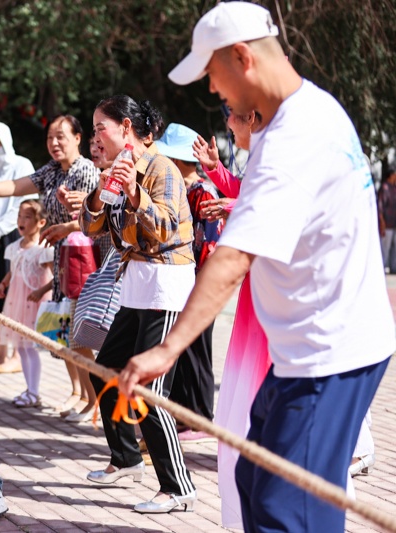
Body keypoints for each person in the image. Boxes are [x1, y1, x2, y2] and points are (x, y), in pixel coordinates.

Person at [123, 3, 395, 532]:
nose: (212, 91)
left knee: (282, 509)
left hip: (329, 354)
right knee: (255, 479)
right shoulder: (311, 110)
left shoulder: (294, 140)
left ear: (241, 57)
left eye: (212, 74)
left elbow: (232, 258)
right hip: (307, 347)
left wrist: (165, 349)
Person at [81, 95, 197, 513]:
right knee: (104, 370)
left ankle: (178, 487)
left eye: (100, 128)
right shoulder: (112, 169)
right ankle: (126, 459)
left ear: (126, 128)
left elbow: (166, 227)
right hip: (134, 284)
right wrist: (100, 191)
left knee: (150, 391)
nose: (96, 137)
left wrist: (134, 193)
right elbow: (93, 226)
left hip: (165, 283)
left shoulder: (161, 167)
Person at [0, 115, 100, 418]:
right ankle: (80, 395)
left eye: (61, 136)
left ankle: (94, 401)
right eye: (50, 137)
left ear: (78, 138)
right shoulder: (51, 170)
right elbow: (16, 185)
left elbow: (95, 220)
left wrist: (68, 227)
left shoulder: (86, 170)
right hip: (62, 258)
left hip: (82, 260)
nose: (54, 143)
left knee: (79, 335)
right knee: (65, 335)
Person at [193, 109, 272, 530]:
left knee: (263, 416)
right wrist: (219, 173)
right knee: (237, 418)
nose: (227, 126)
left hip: (277, 306)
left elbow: (286, 208)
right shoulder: (258, 151)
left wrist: (235, 206)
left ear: (253, 116)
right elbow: (251, 193)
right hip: (255, 299)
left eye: (232, 117)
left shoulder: (282, 146)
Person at [155, 123, 219, 437]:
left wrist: (202, 284)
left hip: (200, 281)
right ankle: (183, 412)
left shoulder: (202, 192)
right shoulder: (182, 190)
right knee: (182, 347)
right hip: (181, 278)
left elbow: (210, 243)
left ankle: (200, 416)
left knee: (198, 349)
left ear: (179, 162)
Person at [0, 121, 35, 374]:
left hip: (13, 234)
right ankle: (1, 355)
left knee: (12, 294)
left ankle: (14, 355)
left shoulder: (22, 165)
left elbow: (21, 204)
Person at [0, 199, 53, 407]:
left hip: (33, 303)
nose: (21, 221)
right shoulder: (14, 248)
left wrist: (42, 291)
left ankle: (34, 391)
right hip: (16, 301)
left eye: (27, 217)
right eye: (20, 216)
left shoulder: (43, 250)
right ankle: (29, 390)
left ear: (40, 223)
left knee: (29, 346)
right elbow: (13, 270)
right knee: (20, 346)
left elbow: (56, 278)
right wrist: (4, 283)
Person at [378, 170, 396, 272]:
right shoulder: (385, 188)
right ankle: (383, 267)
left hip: (394, 223)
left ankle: (394, 267)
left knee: (394, 248)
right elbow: (380, 207)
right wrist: (382, 222)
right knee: (386, 247)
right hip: (387, 223)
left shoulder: (394, 188)